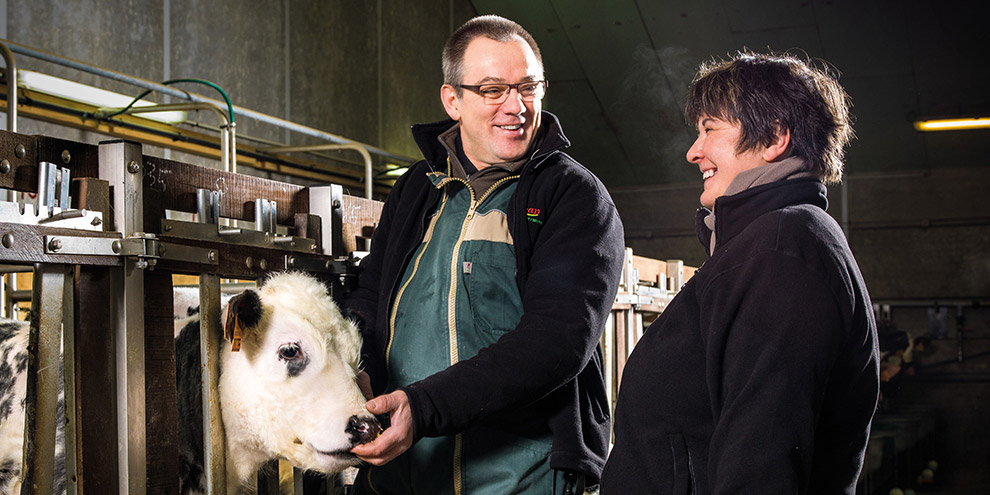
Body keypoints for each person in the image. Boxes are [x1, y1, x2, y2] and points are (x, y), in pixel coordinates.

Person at [344, 15, 624, 495]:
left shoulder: (572, 196)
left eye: (528, 87)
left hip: (520, 478)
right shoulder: (416, 188)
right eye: (493, 89)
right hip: (403, 472)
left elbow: (557, 341)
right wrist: (362, 372)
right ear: (452, 100)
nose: (516, 106)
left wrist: (423, 407)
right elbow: (371, 297)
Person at [600, 51, 880, 494]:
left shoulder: (784, 249)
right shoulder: (771, 244)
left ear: (773, 138)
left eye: (710, 129)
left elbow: (762, 460)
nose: (694, 151)